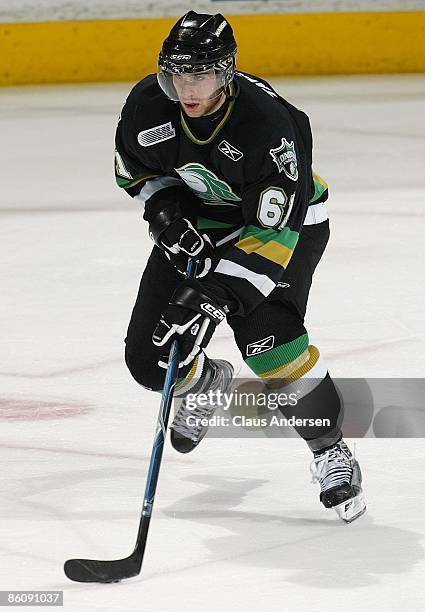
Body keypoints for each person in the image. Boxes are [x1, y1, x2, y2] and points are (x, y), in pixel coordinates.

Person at [114, 11, 366, 523]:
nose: (187, 87)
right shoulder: (148, 105)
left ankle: (330, 451)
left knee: (268, 340)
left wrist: (215, 293)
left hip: (283, 227)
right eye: (177, 73)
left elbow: (273, 233)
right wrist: (167, 216)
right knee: (149, 357)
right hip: (204, 221)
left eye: (201, 74)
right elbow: (136, 170)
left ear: (226, 72)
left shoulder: (270, 129)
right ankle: (206, 382)